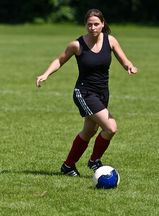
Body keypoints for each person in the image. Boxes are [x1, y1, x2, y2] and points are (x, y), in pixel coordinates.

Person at [36, 9, 138, 176]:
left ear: (103, 24)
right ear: (85, 25)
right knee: (111, 128)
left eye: (96, 24)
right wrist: (45, 74)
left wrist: (129, 66)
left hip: (103, 93)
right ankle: (94, 161)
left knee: (89, 131)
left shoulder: (110, 40)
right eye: (89, 24)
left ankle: (68, 166)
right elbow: (59, 60)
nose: (92, 27)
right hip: (84, 92)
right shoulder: (77, 45)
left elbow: (124, 60)